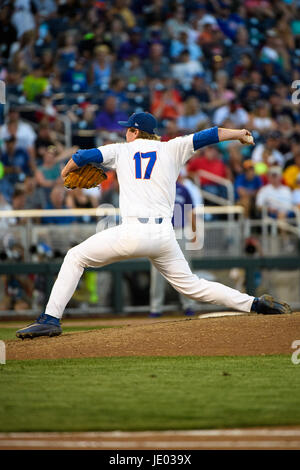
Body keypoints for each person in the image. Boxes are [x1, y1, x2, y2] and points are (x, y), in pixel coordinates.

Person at [16, 112, 292, 339]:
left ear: (135, 132)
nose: (125, 133)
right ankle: (254, 303)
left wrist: (64, 174)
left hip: (132, 231)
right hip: (163, 235)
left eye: (128, 129)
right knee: (193, 286)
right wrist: (240, 133)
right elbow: (211, 134)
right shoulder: (172, 147)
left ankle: (50, 319)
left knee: (75, 257)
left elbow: (80, 157)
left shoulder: (121, 150)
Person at [150, 174, 197, 317]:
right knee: (157, 271)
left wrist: (194, 232)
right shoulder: (158, 188)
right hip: (161, 231)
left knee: (184, 269)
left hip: (179, 231)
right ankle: (155, 308)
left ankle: (188, 305)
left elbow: (191, 211)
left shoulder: (183, 189)